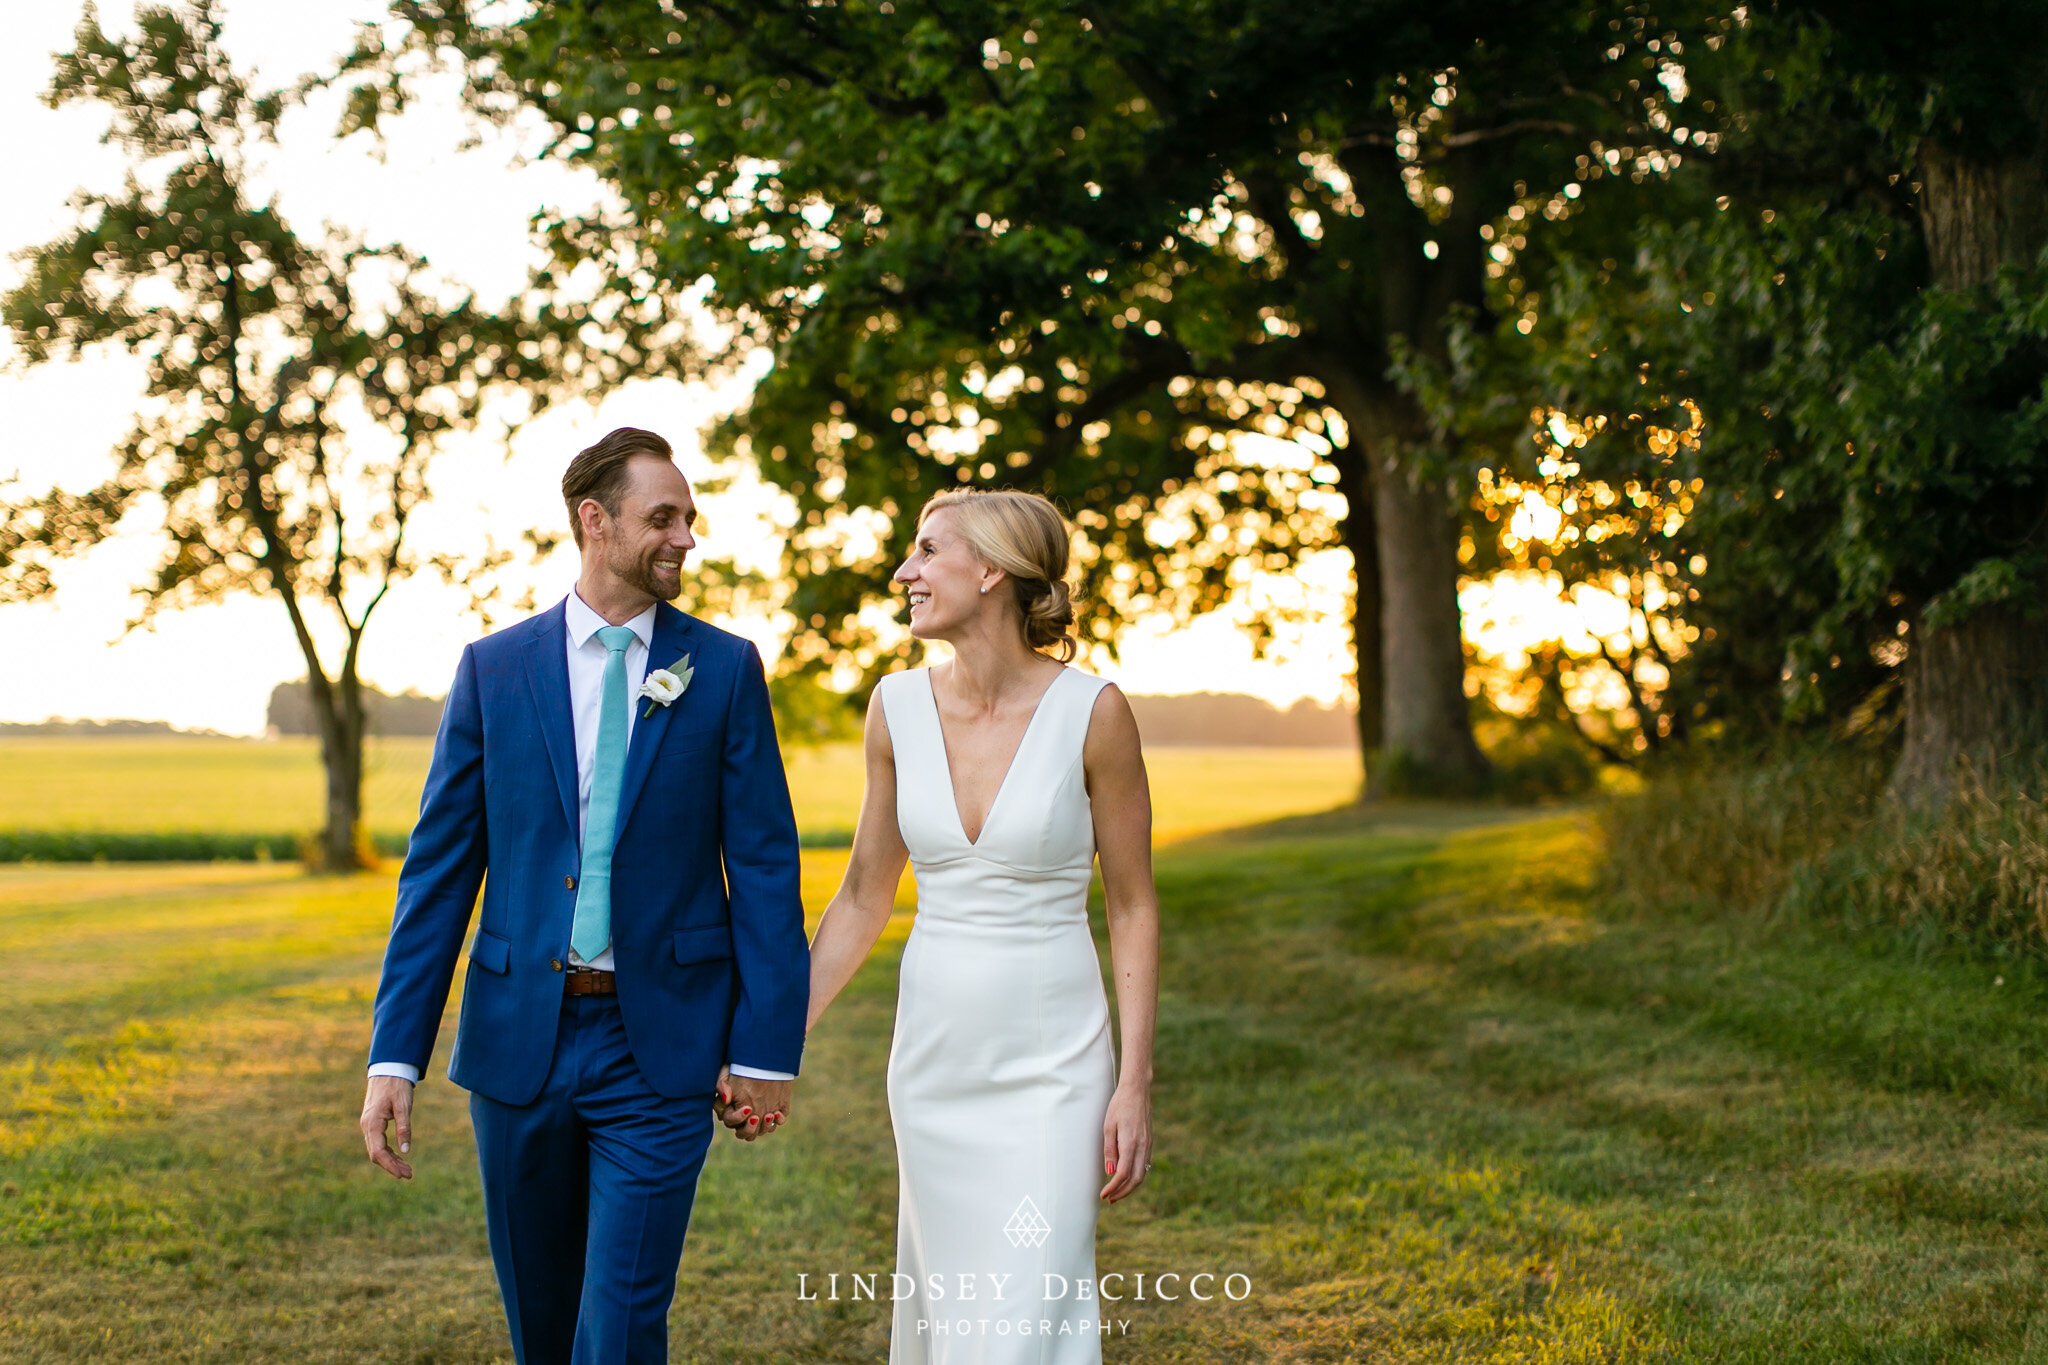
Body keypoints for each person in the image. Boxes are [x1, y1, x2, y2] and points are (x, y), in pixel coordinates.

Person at [357, 427, 809, 1365]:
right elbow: (438, 875)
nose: (684, 536)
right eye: (662, 517)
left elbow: (764, 867)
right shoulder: (495, 668)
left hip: (660, 1051)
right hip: (517, 1043)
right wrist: (394, 1055)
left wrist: (766, 1046)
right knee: (544, 1326)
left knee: (622, 1324)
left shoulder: (725, 670)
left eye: (689, 517)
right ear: (593, 522)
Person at [806, 488, 1161, 1363]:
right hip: (932, 1066)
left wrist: (1134, 1082)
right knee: (953, 1320)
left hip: (1054, 1068)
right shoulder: (894, 706)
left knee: (1027, 1321)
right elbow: (861, 895)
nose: (905, 572)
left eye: (928, 551)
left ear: (993, 569)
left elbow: (1133, 903)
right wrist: (774, 1035)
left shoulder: (1096, 712)